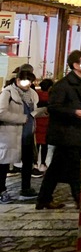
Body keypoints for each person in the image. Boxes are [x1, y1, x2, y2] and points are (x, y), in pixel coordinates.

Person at [36, 50, 81, 210]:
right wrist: (74, 112)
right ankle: (79, 197)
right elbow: (53, 107)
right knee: (74, 167)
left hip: (74, 132)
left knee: (55, 168)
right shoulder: (63, 85)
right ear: (75, 65)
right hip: (65, 133)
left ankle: (43, 199)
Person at [0, 69, 40, 202]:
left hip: (27, 134)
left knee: (28, 162)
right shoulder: (7, 93)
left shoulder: (32, 94)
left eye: (30, 81)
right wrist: (22, 118)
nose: (27, 84)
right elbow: (1, 113)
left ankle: (26, 188)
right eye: (24, 80)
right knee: (4, 164)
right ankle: (1, 191)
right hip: (10, 134)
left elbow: (33, 111)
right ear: (17, 80)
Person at [34, 78, 53, 176]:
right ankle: (42, 163)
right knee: (44, 145)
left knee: (36, 144)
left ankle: (35, 163)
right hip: (47, 122)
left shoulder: (36, 94)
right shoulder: (51, 96)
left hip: (37, 121)